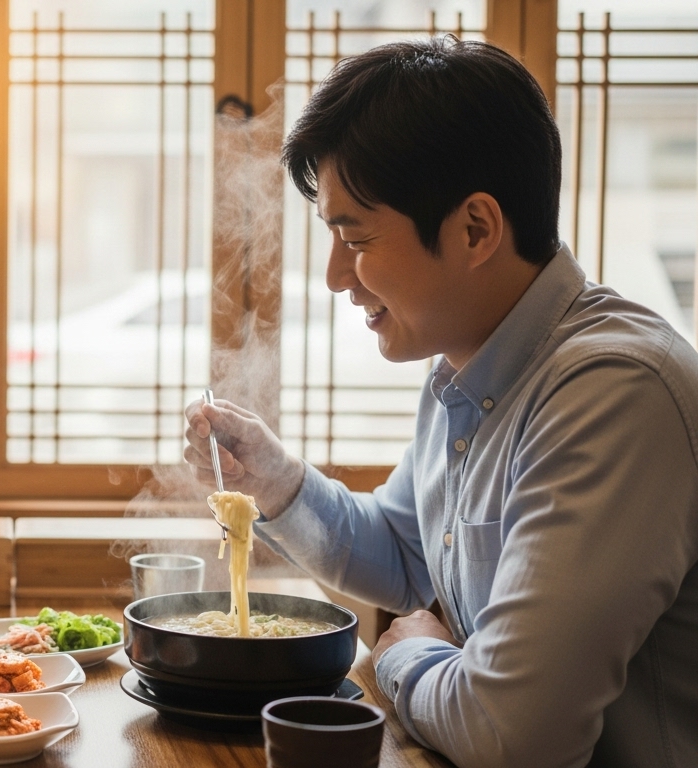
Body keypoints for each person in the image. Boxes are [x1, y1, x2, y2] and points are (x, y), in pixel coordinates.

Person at [184, 38, 698, 767]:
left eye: (354, 237)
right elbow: (405, 554)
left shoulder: (613, 393)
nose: (335, 277)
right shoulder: (470, 368)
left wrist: (407, 655)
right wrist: (274, 483)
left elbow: (512, 735)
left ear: (476, 229)